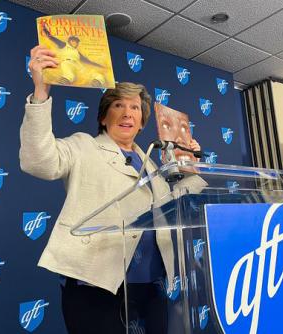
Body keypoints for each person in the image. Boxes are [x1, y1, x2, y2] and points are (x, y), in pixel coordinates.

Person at [21, 45, 202, 334]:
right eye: (118, 105)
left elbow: (177, 205)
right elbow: (39, 162)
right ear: (104, 117)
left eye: (134, 108)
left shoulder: (153, 167)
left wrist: (191, 166)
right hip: (95, 285)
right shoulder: (84, 146)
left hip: (150, 287)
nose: (127, 112)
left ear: (142, 122)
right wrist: (41, 93)